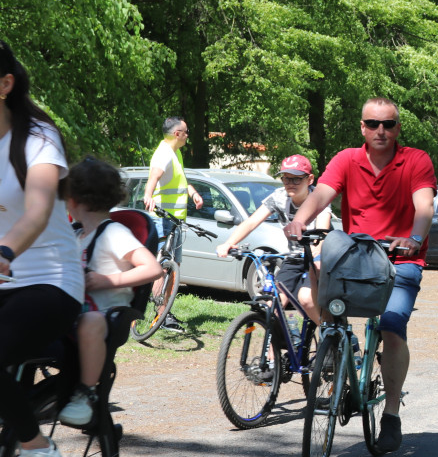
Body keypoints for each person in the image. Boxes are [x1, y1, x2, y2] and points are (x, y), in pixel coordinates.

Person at [283, 97, 436, 453]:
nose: (381, 131)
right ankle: (339, 350)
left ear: (398, 127)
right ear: (362, 127)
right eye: (373, 124)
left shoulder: (416, 160)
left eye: (389, 124)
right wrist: (300, 220)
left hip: (401, 259)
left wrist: (415, 238)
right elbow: (321, 194)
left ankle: (392, 415)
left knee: (392, 327)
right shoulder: (346, 159)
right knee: (323, 299)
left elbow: (424, 205)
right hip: (357, 259)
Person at [0, 40, 84, 457]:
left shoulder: (38, 138)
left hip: (48, 279)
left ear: (5, 84)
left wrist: (5, 250)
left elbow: (35, 211)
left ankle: (37, 452)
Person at [58, 158, 162, 425]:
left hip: (103, 316)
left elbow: (152, 268)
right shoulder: (76, 233)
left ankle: (86, 393)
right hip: (69, 311)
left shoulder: (113, 233)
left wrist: (108, 280)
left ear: (75, 199)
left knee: (89, 321)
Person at [216, 154, 330, 323]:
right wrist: (228, 243)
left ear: (310, 179)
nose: (290, 184)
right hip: (293, 259)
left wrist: (316, 249)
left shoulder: (319, 199)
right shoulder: (279, 197)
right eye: (286, 179)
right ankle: (274, 346)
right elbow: (252, 221)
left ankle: (330, 337)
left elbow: (323, 233)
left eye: (296, 179)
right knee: (271, 304)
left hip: (318, 259)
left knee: (306, 299)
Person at [142, 116, 203, 331]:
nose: (188, 135)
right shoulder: (164, 154)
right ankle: (160, 315)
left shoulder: (175, 153)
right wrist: (148, 195)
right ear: (177, 134)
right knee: (162, 269)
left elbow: (181, 181)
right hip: (163, 219)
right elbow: (153, 178)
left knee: (173, 269)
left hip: (175, 220)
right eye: (186, 131)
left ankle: (165, 312)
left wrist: (193, 193)